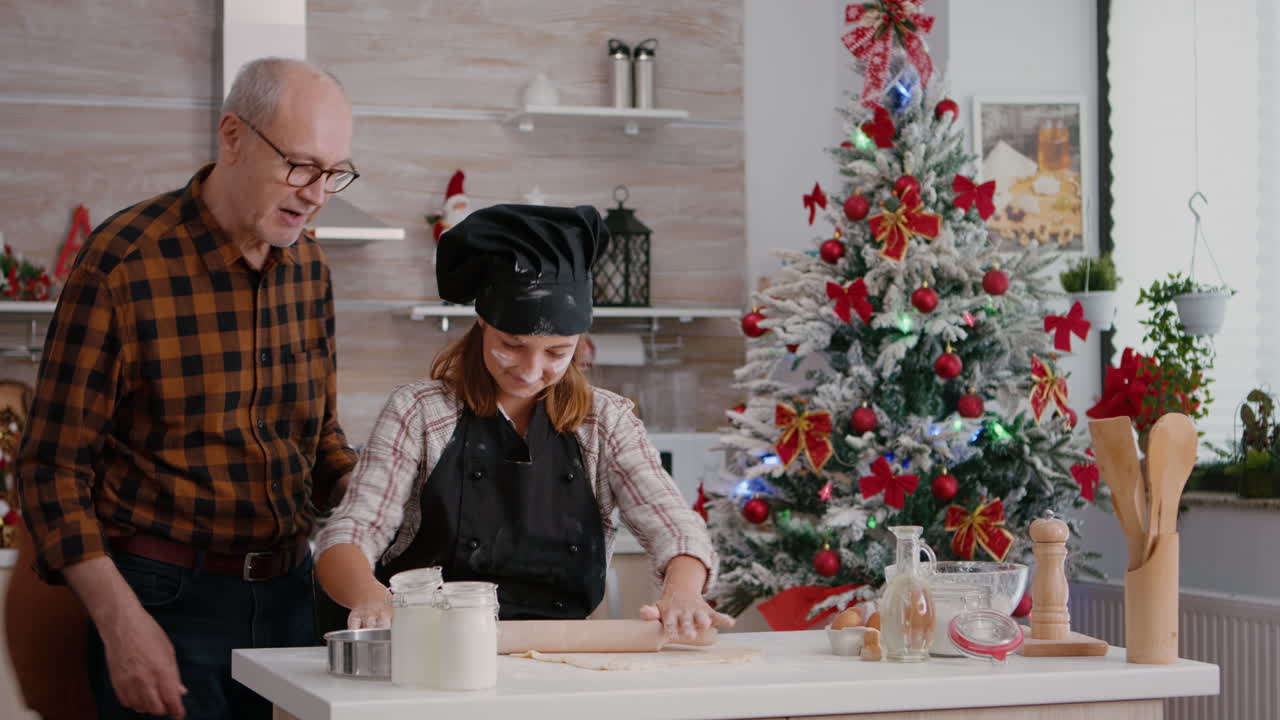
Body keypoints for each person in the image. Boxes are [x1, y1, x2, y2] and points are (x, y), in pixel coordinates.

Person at [16, 57, 360, 720]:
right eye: (301, 166)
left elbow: (318, 440)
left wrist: (370, 488)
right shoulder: (124, 262)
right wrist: (121, 623)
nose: (318, 192)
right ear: (233, 137)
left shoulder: (309, 267)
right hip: (164, 601)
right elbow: (49, 469)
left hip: (293, 600)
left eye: (335, 173)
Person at [315, 203, 733, 640]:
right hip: (431, 644)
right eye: (512, 345)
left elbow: (674, 525)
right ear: (482, 324)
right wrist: (370, 595)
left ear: (581, 345)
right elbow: (353, 529)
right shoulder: (419, 411)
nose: (531, 372)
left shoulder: (606, 421)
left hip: (558, 649)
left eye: (557, 352)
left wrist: (683, 591)